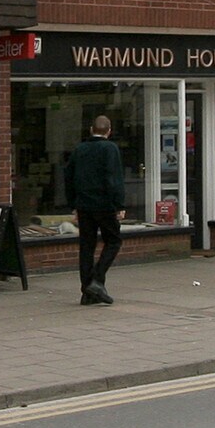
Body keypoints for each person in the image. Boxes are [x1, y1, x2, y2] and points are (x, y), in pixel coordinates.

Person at [65, 115, 126, 305]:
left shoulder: (79, 149)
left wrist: (73, 204)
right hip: (105, 205)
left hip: (84, 205)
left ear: (91, 130)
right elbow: (114, 179)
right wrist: (119, 204)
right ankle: (97, 281)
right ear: (109, 131)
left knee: (87, 247)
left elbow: (68, 177)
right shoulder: (110, 149)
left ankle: (87, 292)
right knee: (113, 241)